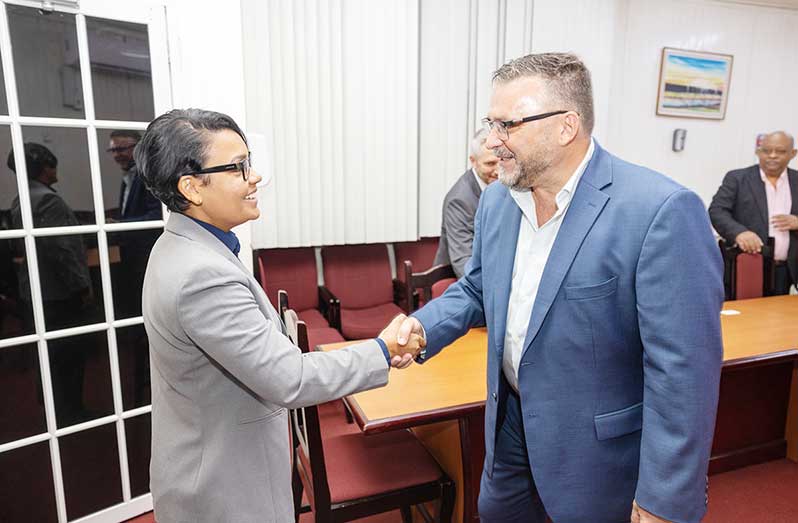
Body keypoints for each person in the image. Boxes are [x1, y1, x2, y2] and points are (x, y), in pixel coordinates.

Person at [394, 53, 723, 523]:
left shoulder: (660, 211)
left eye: (507, 125)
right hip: (510, 430)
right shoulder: (496, 203)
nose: (492, 141)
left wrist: (664, 500)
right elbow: (477, 288)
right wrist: (423, 327)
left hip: (598, 456)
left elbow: (684, 375)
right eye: (491, 123)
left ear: (566, 127)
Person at [135, 109, 422, 523]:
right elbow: (291, 377)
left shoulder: (180, 246)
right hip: (223, 485)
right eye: (238, 167)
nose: (255, 178)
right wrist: (383, 349)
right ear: (192, 188)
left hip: (211, 459)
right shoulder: (201, 275)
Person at [8, 143, 94, 425]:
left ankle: (53, 407)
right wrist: (82, 286)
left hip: (36, 290)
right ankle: (70, 412)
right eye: (52, 164)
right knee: (68, 355)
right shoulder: (49, 201)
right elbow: (62, 249)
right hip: (59, 292)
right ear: (44, 168)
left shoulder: (21, 199)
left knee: (48, 354)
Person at [708, 131, 798, 295]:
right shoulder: (738, 178)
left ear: (793, 153)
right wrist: (739, 232)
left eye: (780, 151)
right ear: (758, 152)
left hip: (787, 270)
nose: (772, 156)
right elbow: (717, 210)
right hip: (749, 266)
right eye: (766, 151)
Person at [433, 128, 499, 277]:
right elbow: (464, 263)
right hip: (453, 282)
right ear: (473, 161)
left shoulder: (502, 186)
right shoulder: (459, 200)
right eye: (490, 164)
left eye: (501, 161)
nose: (498, 171)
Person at [107, 129, 162, 221]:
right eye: (113, 150)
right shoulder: (129, 173)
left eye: (120, 149)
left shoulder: (150, 172)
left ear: (138, 148)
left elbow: (158, 215)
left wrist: (120, 224)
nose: (116, 155)